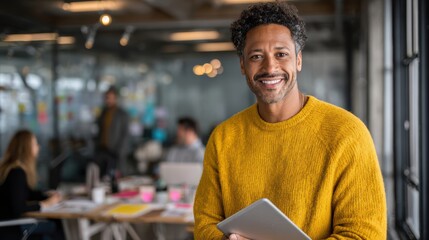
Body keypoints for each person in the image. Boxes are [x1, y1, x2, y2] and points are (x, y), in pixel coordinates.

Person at [193, 2, 386, 240]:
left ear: (298, 60)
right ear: (243, 65)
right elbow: (204, 224)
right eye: (256, 56)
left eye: (281, 54)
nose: (270, 67)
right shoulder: (223, 137)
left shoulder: (347, 133)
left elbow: (365, 235)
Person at [0, 130, 63, 240]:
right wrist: (44, 204)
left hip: (8, 225)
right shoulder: (16, 172)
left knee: (55, 225)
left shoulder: (12, 169)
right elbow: (18, 208)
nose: (38, 147)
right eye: (35, 144)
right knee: (55, 226)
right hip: (11, 227)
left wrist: (46, 195)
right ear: (26, 148)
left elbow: (25, 193)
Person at [94, 86, 129, 178]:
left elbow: (125, 134)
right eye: (107, 98)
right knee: (102, 177)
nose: (108, 100)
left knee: (115, 177)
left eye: (110, 98)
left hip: (115, 152)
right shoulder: (103, 113)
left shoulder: (122, 114)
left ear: (115, 98)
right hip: (102, 150)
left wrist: (120, 152)